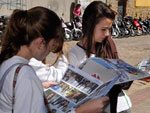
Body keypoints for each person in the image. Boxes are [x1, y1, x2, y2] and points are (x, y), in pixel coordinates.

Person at [0, 6, 109, 113]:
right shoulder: (26, 76)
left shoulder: (7, 62)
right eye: (52, 45)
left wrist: (38, 88)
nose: (50, 51)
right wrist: (81, 111)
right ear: (40, 43)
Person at [56, 1, 132, 113]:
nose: (107, 34)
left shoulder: (106, 46)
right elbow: (64, 100)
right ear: (89, 25)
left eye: (109, 29)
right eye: (103, 29)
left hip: (120, 106)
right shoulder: (70, 59)